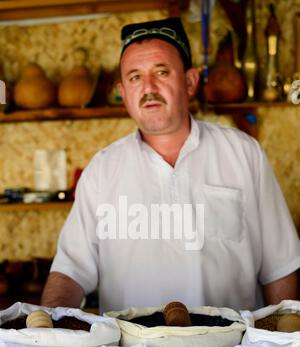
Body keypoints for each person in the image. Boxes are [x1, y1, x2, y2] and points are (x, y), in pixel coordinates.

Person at [41, 17, 300, 313]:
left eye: (161, 72)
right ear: (123, 92)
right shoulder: (102, 170)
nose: (148, 87)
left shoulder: (243, 153)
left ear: (190, 82)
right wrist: (48, 328)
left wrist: (284, 345)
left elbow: (281, 267)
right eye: (135, 77)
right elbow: (70, 271)